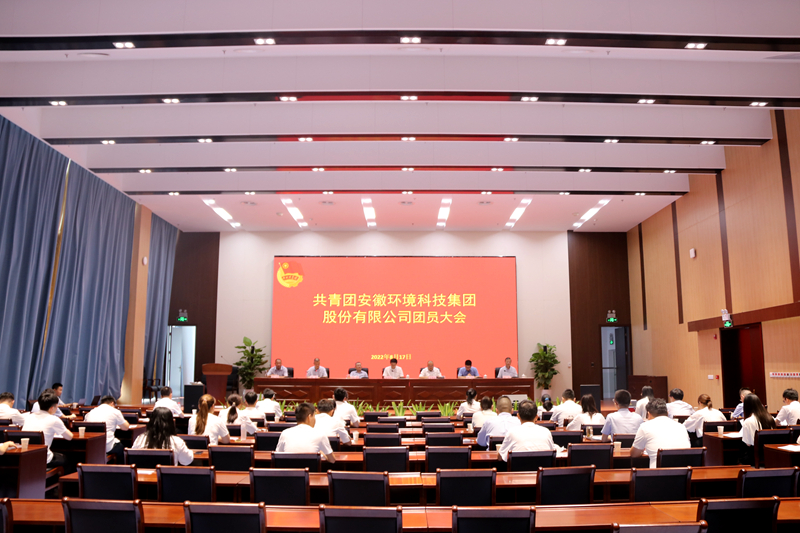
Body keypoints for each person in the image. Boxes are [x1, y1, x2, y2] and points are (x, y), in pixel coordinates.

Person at [631, 398, 691, 468]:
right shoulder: (681, 426)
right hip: (684, 472)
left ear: (648, 414)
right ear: (667, 413)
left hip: (658, 473)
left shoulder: (645, 426)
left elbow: (634, 454)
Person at [21, 390, 72, 469]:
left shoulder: (29, 417)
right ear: (52, 408)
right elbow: (69, 437)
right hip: (44, 458)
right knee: (69, 458)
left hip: (26, 457)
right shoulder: (54, 419)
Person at [84, 395, 129, 464]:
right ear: (112, 403)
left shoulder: (91, 412)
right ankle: (120, 468)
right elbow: (125, 428)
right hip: (107, 446)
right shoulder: (115, 411)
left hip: (92, 446)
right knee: (122, 447)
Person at [741, 393, 776, 465]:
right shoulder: (771, 418)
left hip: (754, 456)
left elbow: (748, 444)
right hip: (770, 453)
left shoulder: (748, 421)